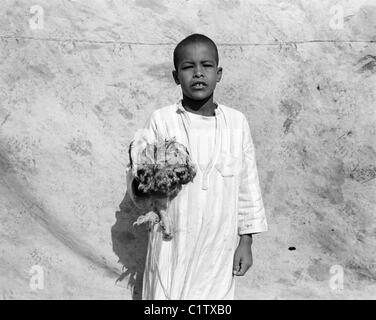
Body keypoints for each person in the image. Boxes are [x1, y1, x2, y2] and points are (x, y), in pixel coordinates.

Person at [126, 33, 268, 300]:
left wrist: (246, 241)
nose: (198, 73)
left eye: (206, 65)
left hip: (219, 244)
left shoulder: (237, 123)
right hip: (171, 240)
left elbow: (248, 184)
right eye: (188, 67)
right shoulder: (162, 120)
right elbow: (139, 184)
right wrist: (147, 171)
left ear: (219, 73)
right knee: (164, 297)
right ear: (176, 76)